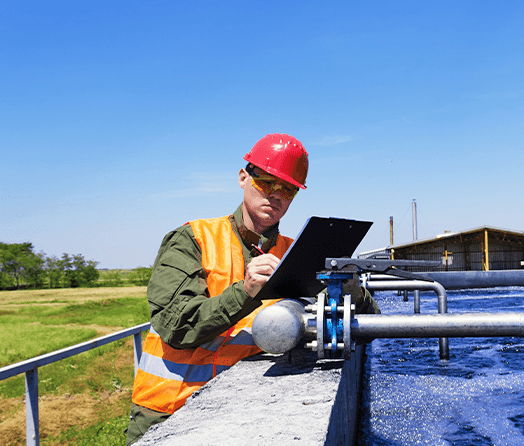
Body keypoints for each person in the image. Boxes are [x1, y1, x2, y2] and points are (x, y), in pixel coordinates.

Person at [125, 134, 379, 445]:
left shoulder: (295, 255)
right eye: (267, 182)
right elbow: (175, 326)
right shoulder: (193, 239)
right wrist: (244, 292)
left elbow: (366, 331)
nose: (276, 195)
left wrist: (354, 293)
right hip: (171, 413)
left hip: (246, 412)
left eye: (287, 189)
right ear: (244, 177)